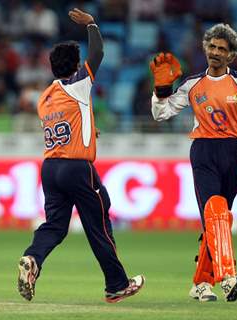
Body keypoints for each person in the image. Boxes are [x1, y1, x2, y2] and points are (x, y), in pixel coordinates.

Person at [150, 24, 237, 302]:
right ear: (205, 48)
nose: (215, 52)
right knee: (215, 211)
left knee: (218, 220)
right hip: (203, 151)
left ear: (232, 55)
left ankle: (201, 284)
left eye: (222, 49)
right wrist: (161, 89)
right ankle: (227, 276)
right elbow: (161, 113)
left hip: (232, 153)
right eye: (212, 47)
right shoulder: (192, 84)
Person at [17, 8, 144, 303]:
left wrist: (88, 128)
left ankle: (33, 257)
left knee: (55, 226)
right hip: (77, 167)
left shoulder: (45, 97)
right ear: (75, 65)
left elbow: (67, 121)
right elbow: (98, 54)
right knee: (99, 222)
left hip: (50, 168)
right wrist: (92, 26)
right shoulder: (78, 84)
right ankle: (116, 285)